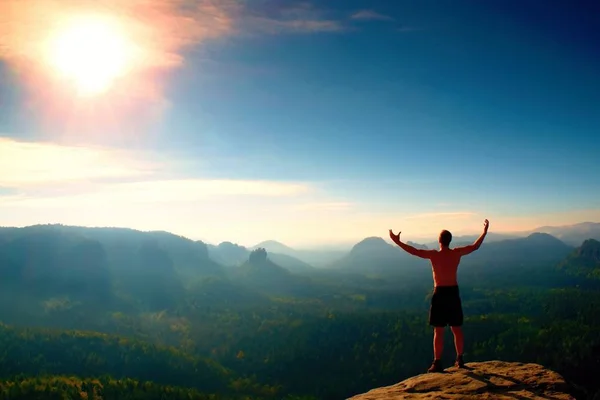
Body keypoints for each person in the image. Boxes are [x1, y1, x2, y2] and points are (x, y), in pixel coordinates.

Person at [388, 219, 489, 373]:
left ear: (439, 241)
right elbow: (475, 246)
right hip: (453, 293)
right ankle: (460, 359)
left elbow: (415, 251)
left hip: (440, 293)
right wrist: (484, 232)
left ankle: (437, 362)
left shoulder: (434, 255)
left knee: (439, 330)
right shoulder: (457, 253)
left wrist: (398, 242)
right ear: (450, 240)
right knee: (456, 328)